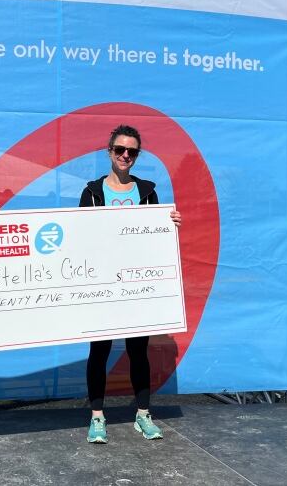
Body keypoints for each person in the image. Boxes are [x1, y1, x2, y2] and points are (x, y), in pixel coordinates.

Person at [78, 124, 181, 444]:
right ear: (109, 152)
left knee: (139, 352)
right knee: (99, 352)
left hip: (138, 286)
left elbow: (157, 239)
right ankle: (97, 418)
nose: (125, 156)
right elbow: (78, 236)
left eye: (132, 151)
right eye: (120, 150)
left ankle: (143, 415)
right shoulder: (92, 191)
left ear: (137, 155)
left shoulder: (147, 191)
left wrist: (171, 224)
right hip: (103, 285)